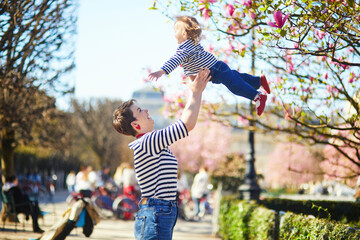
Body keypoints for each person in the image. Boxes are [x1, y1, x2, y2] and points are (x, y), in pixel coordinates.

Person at [113, 68, 211, 240]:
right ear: (136, 125)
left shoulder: (151, 142)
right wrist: (196, 93)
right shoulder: (148, 141)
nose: (146, 111)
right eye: (140, 111)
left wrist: (195, 93)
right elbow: (186, 124)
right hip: (156, 213)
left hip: (159, 212)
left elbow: (185, 123)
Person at [148, 16, 271, 116]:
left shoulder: (185, 47)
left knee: (234, 85)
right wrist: (194, 82)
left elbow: (175, 59)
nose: (174, 34)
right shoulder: (191, 45)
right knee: (235, 77)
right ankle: (258, 81)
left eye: (175, 31)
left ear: (184, 33)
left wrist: (161, 71)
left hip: (216, 70)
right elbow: (190, 67)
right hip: (217, 69)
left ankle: (257, 96)